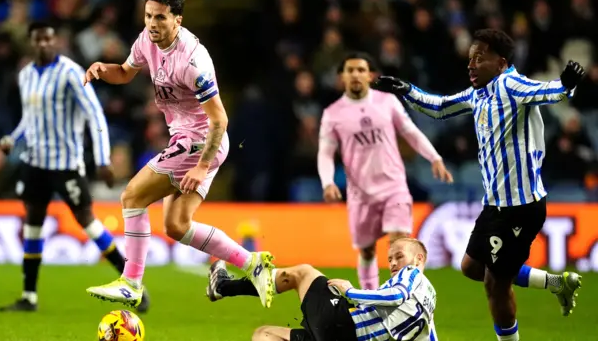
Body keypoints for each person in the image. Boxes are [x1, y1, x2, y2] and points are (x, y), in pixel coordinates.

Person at [374, 28, 583, 341]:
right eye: (470, 58)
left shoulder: (510, 84)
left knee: (496, 286)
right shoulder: (478, 94)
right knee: (471, 267)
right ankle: (557, 284)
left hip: (520, 208)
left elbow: (548, 92)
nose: (470, 64)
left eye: (479, 58)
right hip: (495, 205)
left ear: (500, 63)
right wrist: (406, 89)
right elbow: (440, 106)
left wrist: (566, 83)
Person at [82, 0, 275, 308]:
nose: (152, 23)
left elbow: (220, 119)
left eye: (160, 17)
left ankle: (131, 282)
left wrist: (201, 166)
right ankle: (253, 264)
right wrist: (105, 69)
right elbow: (126, 74)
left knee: (132, 195)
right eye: (147, 16)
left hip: (201, 142)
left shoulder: (193, 62)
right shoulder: (147, 39)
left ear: (178, 20)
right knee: (176, 226)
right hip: (186, 139)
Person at [0, 21, 150, 313]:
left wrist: (103, 159)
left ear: (56, 41)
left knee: (88, 222)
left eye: (49, 39)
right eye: (38, 40)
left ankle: (133, 286)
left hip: (66, 164)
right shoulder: (26, 75)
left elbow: (94, 115)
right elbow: (29, 119)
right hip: (35, 163)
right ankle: (28, 296)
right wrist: (12, 139)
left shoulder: (70, 73)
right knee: (32, 224)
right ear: (32, 43)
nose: (44, 44)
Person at [317, 52, 452, 290]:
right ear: (342, 77)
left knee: (400, 243)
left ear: (371, 75)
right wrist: (328, 182)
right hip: (360, 193)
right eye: (350, 70)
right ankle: (370, 301)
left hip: (394, 187)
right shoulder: (333, 114)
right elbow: (326, 152)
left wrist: (434, 157)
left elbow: (409, 132)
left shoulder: (387, 103)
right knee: (367, 250)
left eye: (361, 70)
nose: (356, 75)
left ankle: (403, 298)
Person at [207, 237, 438, 341]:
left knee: (304, 273)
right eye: (390, 259)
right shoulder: (429, 298)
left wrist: (351, 292)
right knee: (264, 334)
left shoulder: (412, 275)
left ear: (419, 259)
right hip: (338, 334)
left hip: (343, 328)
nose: (394, 263)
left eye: (399, 256)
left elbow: (396, 295)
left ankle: (223, 286)